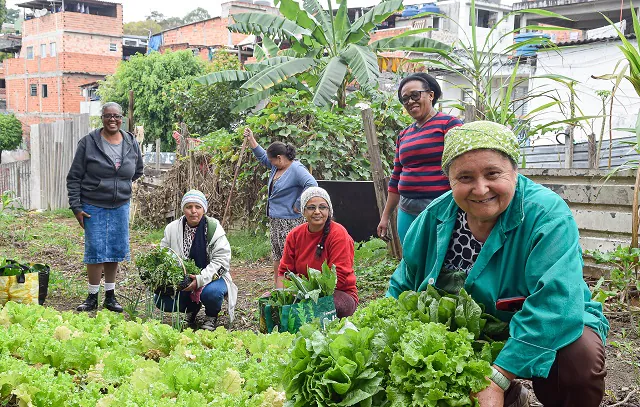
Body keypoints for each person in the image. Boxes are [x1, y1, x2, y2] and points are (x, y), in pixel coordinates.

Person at [387, 121, 608, 407]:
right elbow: (403, 283)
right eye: (464, 178)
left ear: (515, 172)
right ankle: (511, 398)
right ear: (449, 180)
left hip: (541, 321)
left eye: (493, 174)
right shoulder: (434, 217)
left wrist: (498, 376)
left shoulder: (546, 215)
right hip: (466, 331)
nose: (480, 189)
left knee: (577, 360)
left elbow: (556, 305)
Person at [67, 102, 144, 312]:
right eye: (108, 116)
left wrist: (121, 186)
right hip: (93, 205)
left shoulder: (130, 141)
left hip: (120, 205)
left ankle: (110, 296)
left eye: (116, 116)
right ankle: (92, 296)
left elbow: (138, 170)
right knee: (95, 250)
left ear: (121, 119)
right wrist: (76, 207)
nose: (113, 120)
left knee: (115, 250)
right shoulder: (88, 143)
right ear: (102, 118)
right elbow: (74, 177)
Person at [377, 73, 463, 244]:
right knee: (411, 260)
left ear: (430, 95)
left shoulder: (450, 125)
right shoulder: (404, 135)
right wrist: (385, 217)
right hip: (407, 210)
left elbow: (462, 167)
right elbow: (396, 177)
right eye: (405, 98)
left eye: (415, 95)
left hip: (441, 209)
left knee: (440, 261)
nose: (410, 101)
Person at [155, 190, 237, 330]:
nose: (193, 211)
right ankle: (191, 309)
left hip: (213, 277)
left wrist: (199, 279)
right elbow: (164, 254)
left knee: (212, 294)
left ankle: (211, 316)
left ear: (204, 209)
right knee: (162, 299)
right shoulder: (172, 229)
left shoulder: (213, 228)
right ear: (183, 209)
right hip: (184, 279)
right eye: (189, 207)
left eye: (198, 207)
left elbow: (222, 261)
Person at [243, 128, 317, 283]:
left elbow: (312, 184)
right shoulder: (277, 166)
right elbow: (263, 156)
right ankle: (278, 288)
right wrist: (251, 139)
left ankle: (293, 288)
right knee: (277, 255)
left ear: (280, 158)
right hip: (276, 220)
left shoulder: (296, 169)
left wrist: (299, 203)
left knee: (289, 256)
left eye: (272, 161)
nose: (269, 164)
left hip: (290, 221)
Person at [278, 187, 358, 318]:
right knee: (270, 302)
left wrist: (306, 292)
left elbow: (339, 278)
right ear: (303, 211)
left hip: (338, 293)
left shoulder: (338, 234)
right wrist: (282, 297)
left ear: (329, 211)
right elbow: (284, 272)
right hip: (301, 293)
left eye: (322, 207)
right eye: (311, 207)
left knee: (317, 307)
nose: (317, 212)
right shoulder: (294, 235)